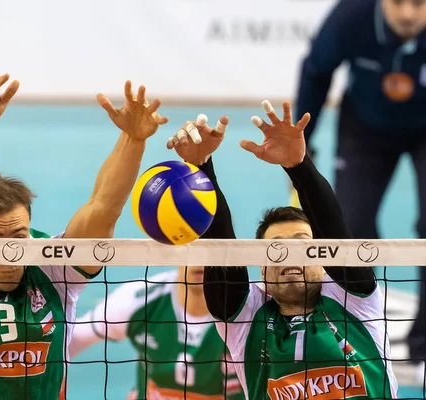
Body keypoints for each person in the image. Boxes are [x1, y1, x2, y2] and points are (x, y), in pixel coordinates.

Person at [0, 74, 168, 399]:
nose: (10, 252)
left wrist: (133, 139)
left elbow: (103, 208)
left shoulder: (54, 266)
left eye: (19, 235)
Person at [168, 101, 398, 399]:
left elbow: (333, 230)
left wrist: (298, 166)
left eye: (301, 244)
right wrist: (200, 169)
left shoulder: (351, 300)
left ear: (323, 257)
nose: (290, 254)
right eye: (276, 248)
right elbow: (221, 246)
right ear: (261, 268)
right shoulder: (246, 320)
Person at [294, 0, 426, 376]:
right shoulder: (351, 17)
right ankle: (357, 335)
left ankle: (425, 345)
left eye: (418, 3)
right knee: (348, 230)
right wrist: (301, 143)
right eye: (398, 2)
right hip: (364, 130)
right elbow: (316, 70)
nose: (407, 14)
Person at [68, 265, 244, 399]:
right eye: (194, 247)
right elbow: (69, 341)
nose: (200, 260)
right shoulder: (140, 299)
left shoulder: (247, 310)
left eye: (208, 248)